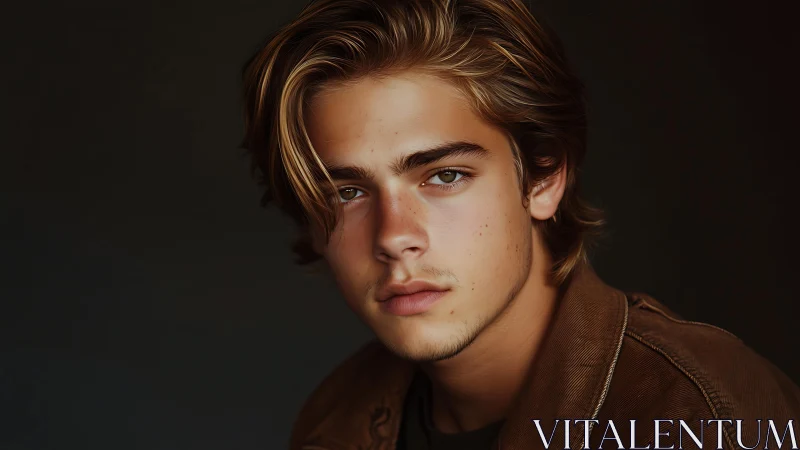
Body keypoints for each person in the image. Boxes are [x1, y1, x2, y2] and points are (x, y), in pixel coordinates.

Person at [241, 0, 800, 448]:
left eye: (445, 176)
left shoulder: (703, 413)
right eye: (347, 192)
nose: (393, 236)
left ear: (543, 179)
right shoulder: (337, 418)